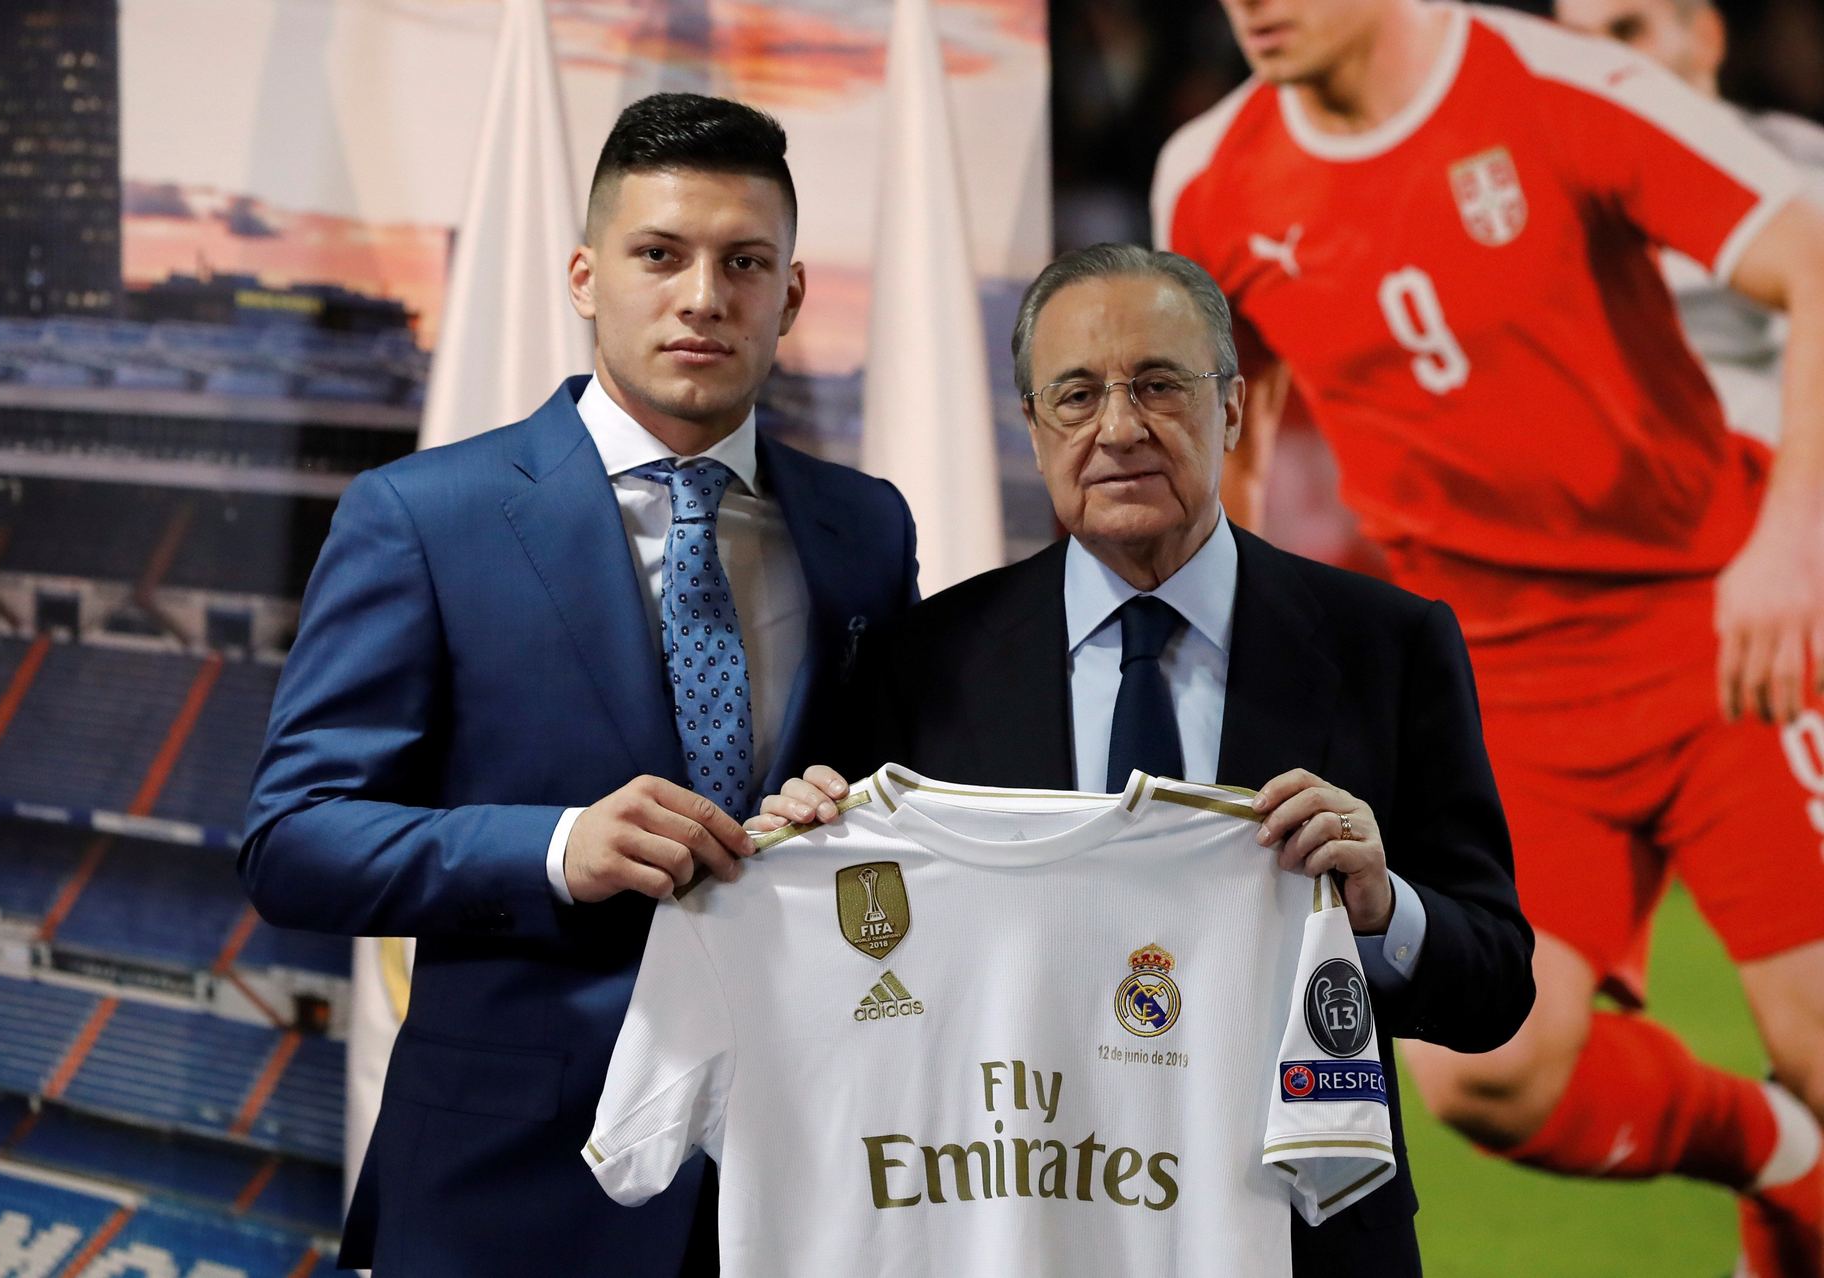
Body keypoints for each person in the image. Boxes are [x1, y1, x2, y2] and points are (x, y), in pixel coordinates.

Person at [1149, 2, 1824, 1273]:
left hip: (1715, 633)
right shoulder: (1211, 176)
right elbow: (1231, 424)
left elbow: (1813, 256)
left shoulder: (1564, 88)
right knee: (1486, 1073)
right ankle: (1778, 1157)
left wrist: (1793, 540)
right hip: (1499, 680)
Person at [239, 93, 919, 1276]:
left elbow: (894, 805)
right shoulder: (421, 517)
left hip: (801, 1181)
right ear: (586, 275)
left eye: (744, 262)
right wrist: (557, 849)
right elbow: (295, 842)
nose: (704, 296)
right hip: (507, 1195)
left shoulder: (867, 528)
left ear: (791, 297)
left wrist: (850, 815)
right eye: (661, 254)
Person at [762, 243, 1536, 1278]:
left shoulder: (1386, 646)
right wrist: (813, 853)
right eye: (1075, 396)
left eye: (1159, 386)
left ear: (1232, 409)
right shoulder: (924, 660)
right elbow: (876, 979)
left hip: (1305, 1238)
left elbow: (1496, 985)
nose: (1118, 428)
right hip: (1016, 1232)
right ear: (1032, 432)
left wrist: (1385, 906)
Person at [1555, 0, 1824, 448]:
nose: (1598, 59)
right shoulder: (1547, 199)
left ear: (1706, 40)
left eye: (1626, 31)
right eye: (1577, 43)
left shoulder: (1801, 171)